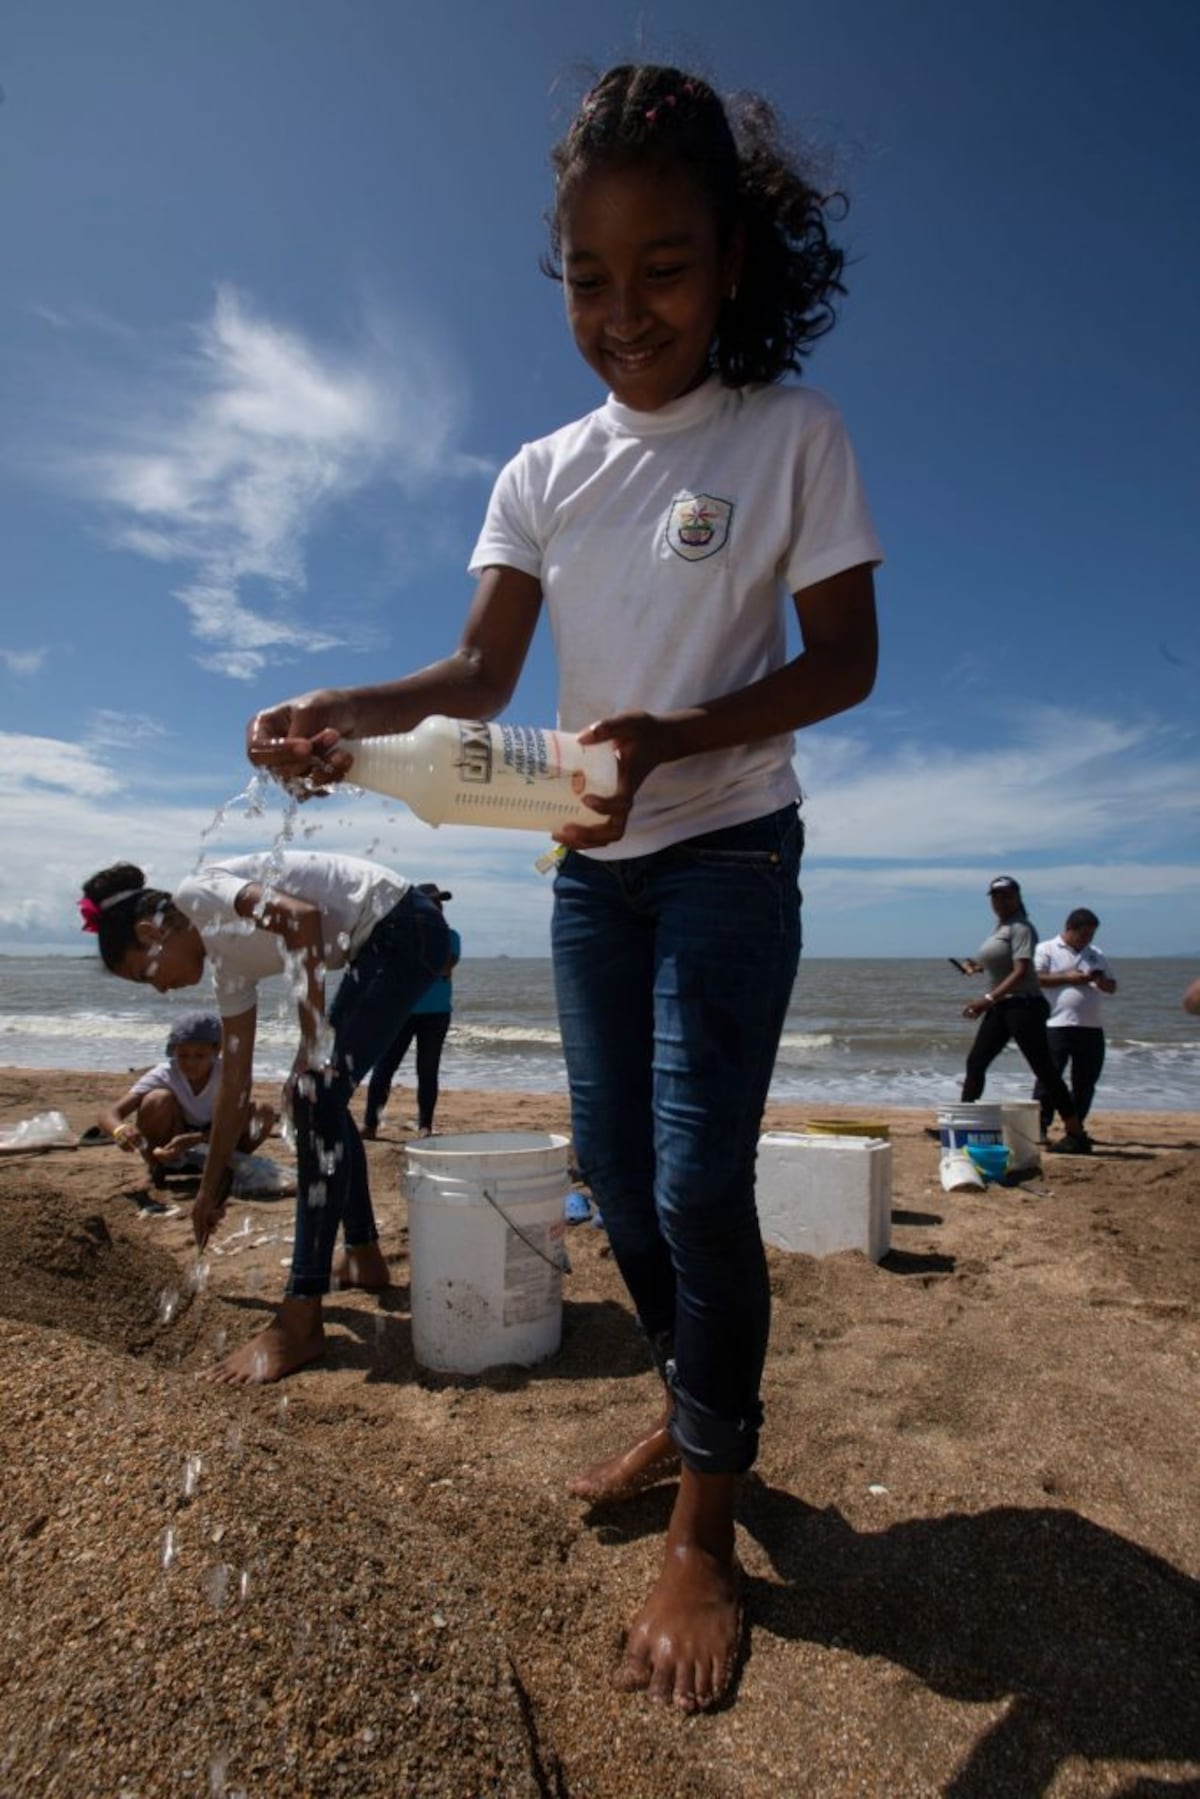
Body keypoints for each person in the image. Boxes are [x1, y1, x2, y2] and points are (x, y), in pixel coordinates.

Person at [244, 63, 880, 1713]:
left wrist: (681, 734)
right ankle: (691, 1394)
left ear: (733, 255)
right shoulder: (539, 470)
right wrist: (341, 715)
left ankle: (709, 1519)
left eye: (662, 265)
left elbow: (846, 660)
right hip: (597, 867)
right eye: (589, 277)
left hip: (735, 841)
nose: (623, 308)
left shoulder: (790, 433)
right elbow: (475, 667)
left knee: (690, 1178)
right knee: (609, 1159)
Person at [80, 853, 449, 1382]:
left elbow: (301, 918)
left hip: (404, 925)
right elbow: (235, 1086)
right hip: (386, 937)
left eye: (146, 975)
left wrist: (311, 1040)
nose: (159, 990)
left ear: (150, 932)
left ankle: (301, 1318)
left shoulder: (199, 890)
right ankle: (364, 1252)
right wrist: (210, 1189)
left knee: (313, 1096)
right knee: (316, 1097)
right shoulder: (228, 969)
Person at [956, 877, 1093, 1153]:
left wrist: (986, 999)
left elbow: (1021, 971)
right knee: (976, 1062)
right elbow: (1003, 966)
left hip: (1023, 1006)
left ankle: (1076, 1134)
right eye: (995, 896)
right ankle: (962, 1127)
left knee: (1045, 1070)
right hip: (1003, 1006)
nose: (1000, 901)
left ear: (1018, 897)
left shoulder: (1021, 928)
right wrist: (978, 968)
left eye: (1006, 896)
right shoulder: (1002, 927)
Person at [93, 1008, 274, 1187]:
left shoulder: (229, 1073)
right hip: (172, 1143)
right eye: (183, 1055)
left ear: (217, 1049)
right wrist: (120, 1130)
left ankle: (225, 1167)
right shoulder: (166, 1073)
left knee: (263, 1112)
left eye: (199, 1055)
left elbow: (236, 1122)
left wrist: (195, 1139)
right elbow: (108, 1113)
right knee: (156, 1099)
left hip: (215, 1138)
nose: (190, 1063)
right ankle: (156, 1169)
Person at [363, 885, 460, 1139]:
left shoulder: (451, 936)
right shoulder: (400, 934)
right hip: (401, 1010)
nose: (437, 908)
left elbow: (445, 966)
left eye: (439, 904)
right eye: (432, 903)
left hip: (436, 1014)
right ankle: (371, 1124)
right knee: (385, 1067)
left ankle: (425, 1126)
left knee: (427, 1070)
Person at [1032, 908, 1117, 1141]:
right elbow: (1036, 979)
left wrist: (1100, 980)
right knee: (1049, 1078)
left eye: (1092, 935)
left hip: (1091, 1027)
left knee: (1086, 1082)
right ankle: (1039, 1127)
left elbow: (1112, 987)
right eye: (1084, 934)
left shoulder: (1096, 953)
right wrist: (1069, 978)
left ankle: (1075, 1128)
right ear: (1070, 929)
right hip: (1056, 1024)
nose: (1088, 939)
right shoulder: (1046, 948)